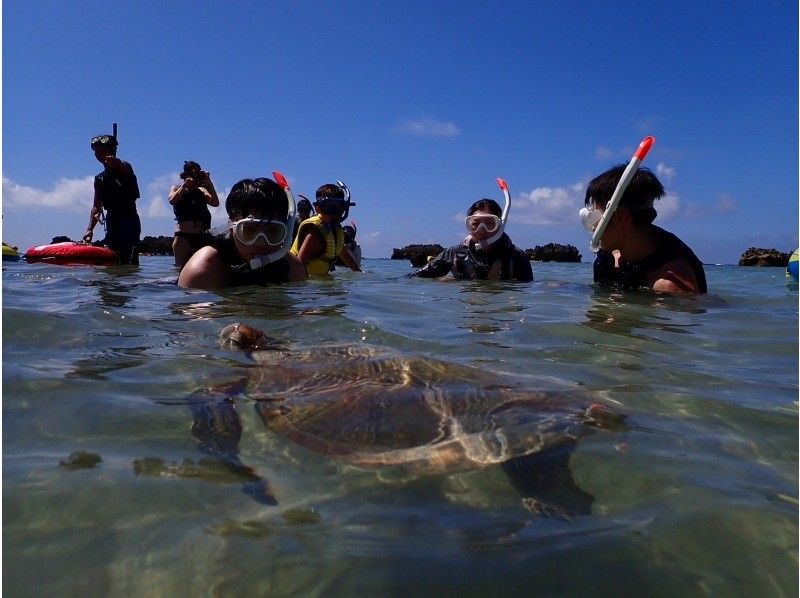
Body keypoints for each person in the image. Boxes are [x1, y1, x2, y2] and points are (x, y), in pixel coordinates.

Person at [580, 165, 707, 293]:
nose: (593, 227)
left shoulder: (669, 286)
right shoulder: (614, 254)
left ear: (620, 219)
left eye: (595, 217)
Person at [178, 177, 306, 289]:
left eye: (272, 231)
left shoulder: (292, 268)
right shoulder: (205, 267)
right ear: (231, 227)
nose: (261, 242)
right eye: (249, 229)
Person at [410, 198, 532, 281]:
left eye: (490, 224)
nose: (482, 230)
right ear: (469, 226)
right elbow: (416, 277)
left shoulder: (518, 258)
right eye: (475, 224)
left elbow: (528, 292)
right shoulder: (455, 254)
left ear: (500, 226)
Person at [82, 132, 141, 265]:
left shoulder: (124, 168)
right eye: (96, 151)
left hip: (128, 218)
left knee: (129, 260)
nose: (98, 154)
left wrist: (117, 163)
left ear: (111, 150)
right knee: (113, 260)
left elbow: (124, 167)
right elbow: (96, 205)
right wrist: (90, 229)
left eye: (102, 150)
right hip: (112, 220)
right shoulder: (100, 178)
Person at [290, 183, 361, 275]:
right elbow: (299, 265)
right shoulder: (314, 231)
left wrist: (359, 273)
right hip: (306, 286)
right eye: (328, 207)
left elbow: (343, 254)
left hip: (318, 284)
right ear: (317, 208)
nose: (333, 213)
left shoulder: (336, 230)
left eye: (338, 207)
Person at [169, 160, 220, 268]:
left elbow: (215, 203)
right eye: (191, 172)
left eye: (197, 172)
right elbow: (172, 200)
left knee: (203, 267)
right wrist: (184, 186)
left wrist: (209, 183)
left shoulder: (201, 189)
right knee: (180, 268)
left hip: (200, 235)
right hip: (183, 236)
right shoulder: (176, 188)